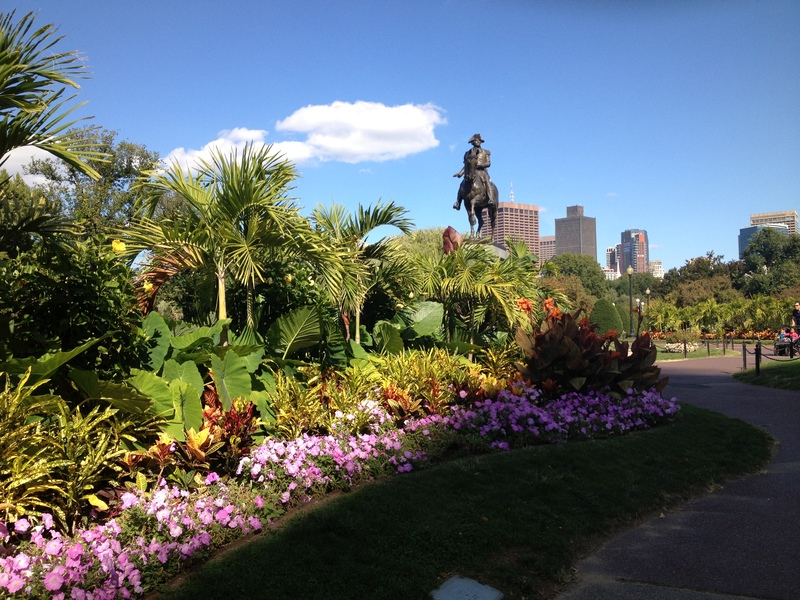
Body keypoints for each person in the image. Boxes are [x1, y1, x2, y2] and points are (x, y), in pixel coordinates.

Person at [453, 133, 493, 210]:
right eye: (476, 140)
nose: (478, 142)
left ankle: (490, 199)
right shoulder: (468, 153)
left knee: (487, 182)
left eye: (479, 140)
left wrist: (480, 165)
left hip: (482, 171)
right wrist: (460, 174)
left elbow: (488, 163)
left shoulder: (485, 152)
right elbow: (466, 165)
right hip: (470, 171)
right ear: (472, 142)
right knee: (462, 184)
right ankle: (458, 202)